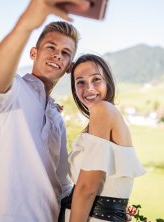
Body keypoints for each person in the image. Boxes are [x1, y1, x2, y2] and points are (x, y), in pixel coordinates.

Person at [0, 0, 90, 221]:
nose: (58, 55)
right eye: (51, 47)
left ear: (68, 68)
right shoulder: (13, 91)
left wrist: (106, 211)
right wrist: (26, 25)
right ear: (33, 53)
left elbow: (62, 184)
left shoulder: (56, 117)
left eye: (66, 53)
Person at [59, 54, 146, 222]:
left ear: (108, 82)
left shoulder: (103, 110)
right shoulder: (104, 117)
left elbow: (87, 188)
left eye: (96, 79)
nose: (89, 88)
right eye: (80, 82)